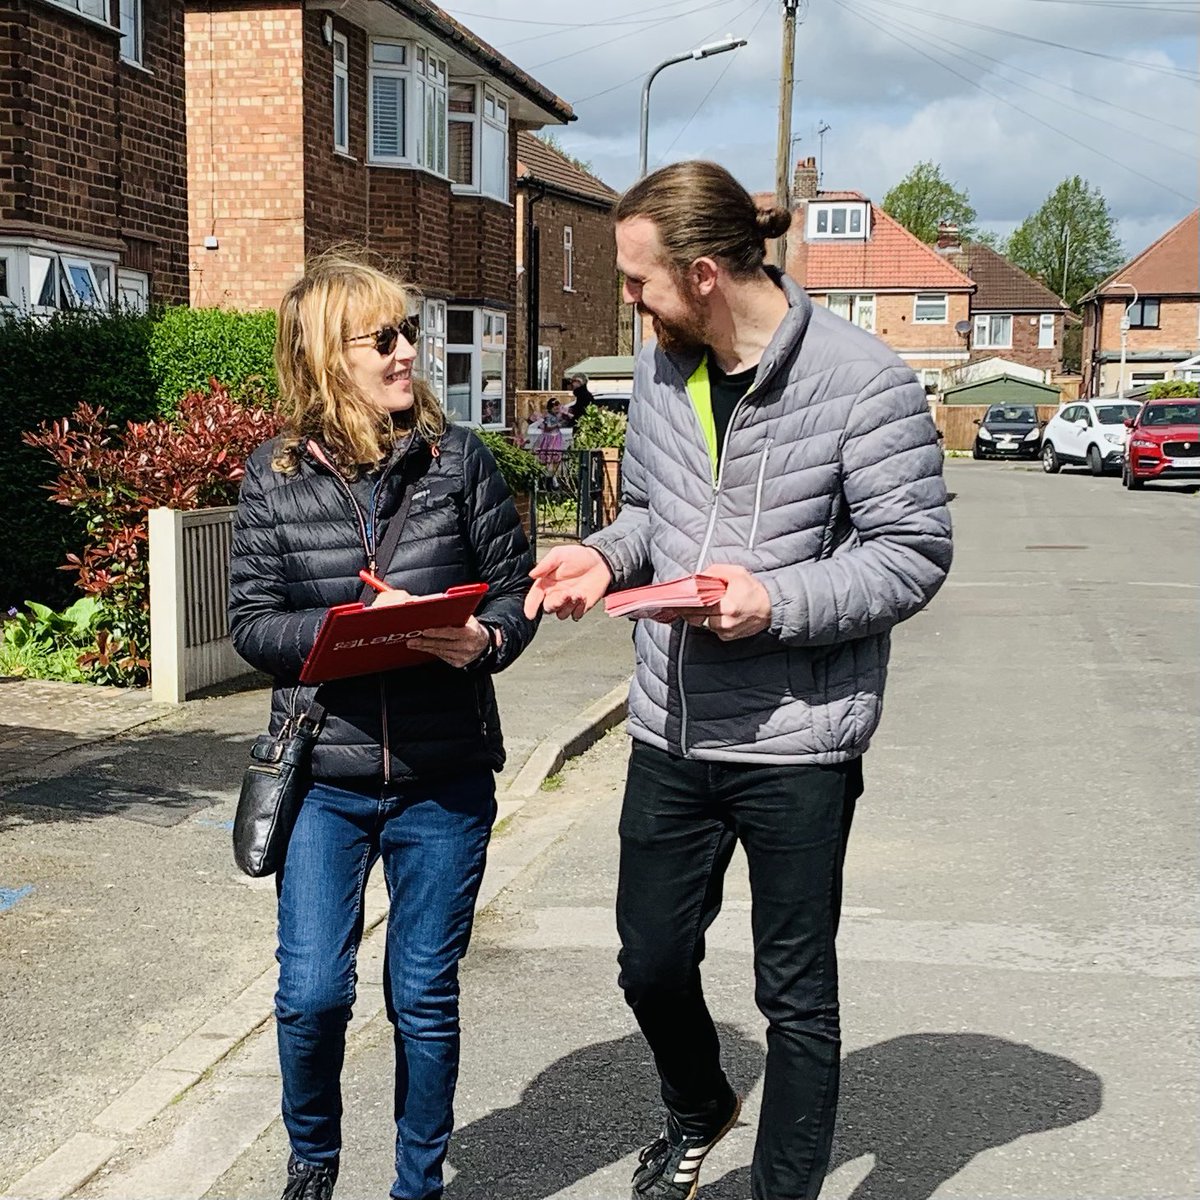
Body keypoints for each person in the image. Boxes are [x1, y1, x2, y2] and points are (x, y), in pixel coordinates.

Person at [524, 161, 952, 1200]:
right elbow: (656, 522)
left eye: (638, 280)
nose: (628, 300)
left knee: (794, 993)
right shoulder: (664, 367)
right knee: (650, 963)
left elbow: (913, 552)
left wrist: (778, 600)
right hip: (672, 726)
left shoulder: (866, 381)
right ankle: (699, 1103)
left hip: (799, 739)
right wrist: (603, 556)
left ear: (705, 272)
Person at [228, 254, 537, 1200]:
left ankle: (417, 1186)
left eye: (410, 333)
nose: (410, 353)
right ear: (328, 359)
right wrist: (347, 634)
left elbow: (519, 588)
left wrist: (481, 635)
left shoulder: (458, 461)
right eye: (386, 338)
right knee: (312, 994)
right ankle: (313, 1160)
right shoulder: (273, 478)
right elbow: (249, 621)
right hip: (323, 778)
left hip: (443, 780)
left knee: (421, 998)